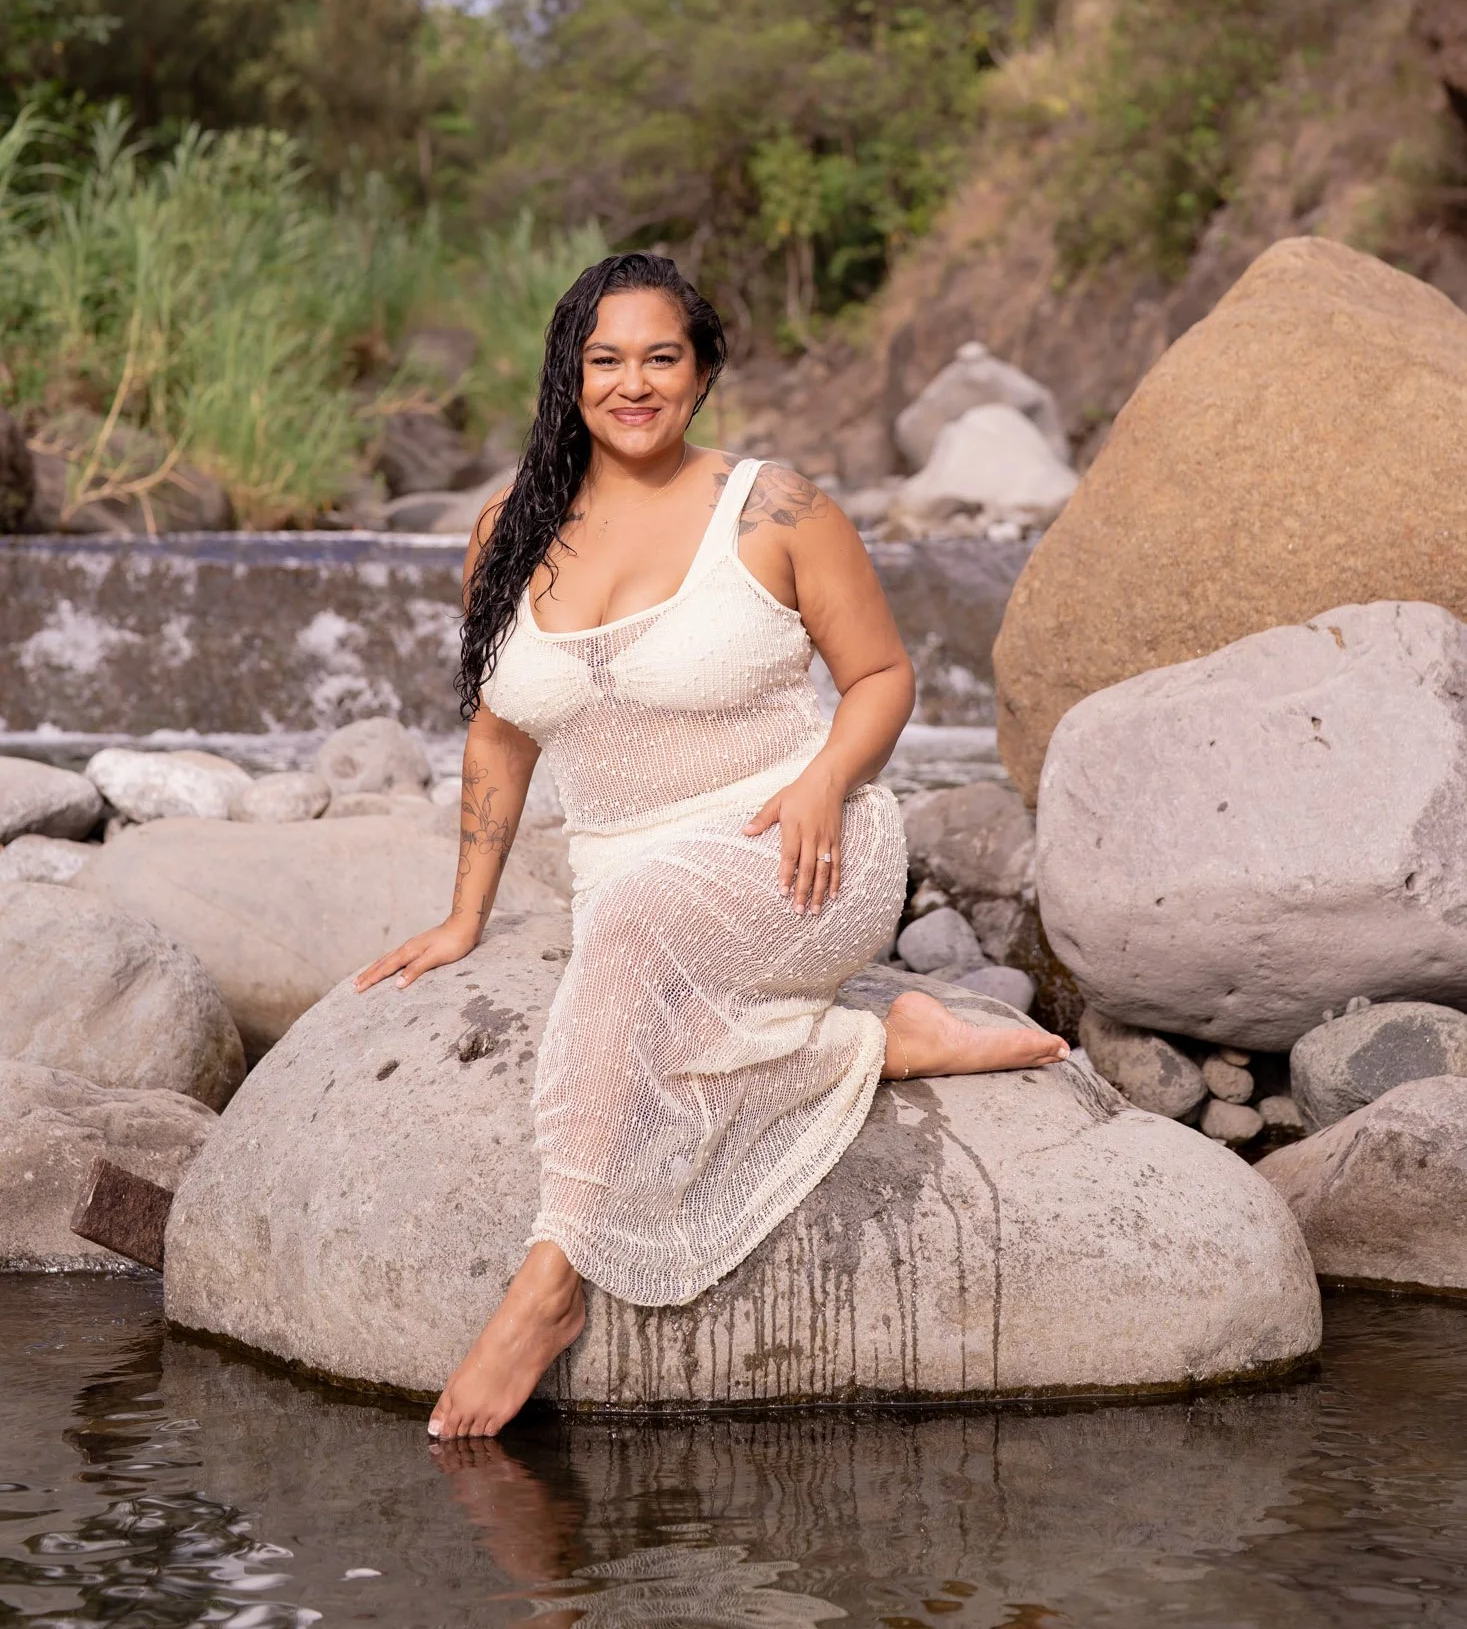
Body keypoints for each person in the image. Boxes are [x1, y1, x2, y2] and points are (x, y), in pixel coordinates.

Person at [356, 252, 1068, 1440]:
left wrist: (827, 784)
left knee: (628, 938)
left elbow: (883, 677)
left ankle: (548, 1286)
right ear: (569, 374)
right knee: (628, 941)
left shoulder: (777, 507)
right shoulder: (507, 527)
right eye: (606, 360)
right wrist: (465, 914)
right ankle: (873, 1042)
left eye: (661, 357)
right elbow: (498, 730)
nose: (633, 384)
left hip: (799, 857)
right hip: (630, 885)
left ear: (702, 371)